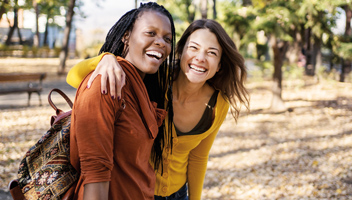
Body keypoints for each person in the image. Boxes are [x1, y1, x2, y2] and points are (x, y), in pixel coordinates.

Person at [67, 19, 249, 200]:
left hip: (179, 194)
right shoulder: (155, 78)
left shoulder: (218, 104)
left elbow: (198, 157)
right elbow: (74, 78)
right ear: (181, 51)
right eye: (193, 48)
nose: (200, 58)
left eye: (212, 53)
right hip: (138, 192)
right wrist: (105, 58)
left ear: (219, 66)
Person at [68, 2, 176, 200]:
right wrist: (106, 58)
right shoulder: (106, 84)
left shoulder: (144, 87)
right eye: (150, 33)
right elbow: (95, 173)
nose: (161, 42)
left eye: (167, 38)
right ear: (126, 36)